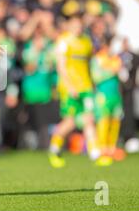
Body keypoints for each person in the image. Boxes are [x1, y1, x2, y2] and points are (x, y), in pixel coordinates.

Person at [48, 14, 100, 168]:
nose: (78, 28)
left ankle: (95, 154)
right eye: (75, 25)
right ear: (69, 26)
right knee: (70, 122)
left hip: (86, 87)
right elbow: (61, 66)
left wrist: (92, 81)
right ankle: (54, 148)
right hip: (69, 88)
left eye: (80, 25)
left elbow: (88, 64)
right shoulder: (63, 41)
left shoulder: (86, 42)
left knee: (89, 119)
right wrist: (70, 86)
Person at [91, 36, 125, 166]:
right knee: (103, 121)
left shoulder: (115, 59)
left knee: (115, 121)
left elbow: (122, 74)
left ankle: (111, 148)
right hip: (103, 95)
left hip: (115, 95)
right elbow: (96, 77)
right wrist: (111, 71)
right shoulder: (97, 59)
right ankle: (102, 150)